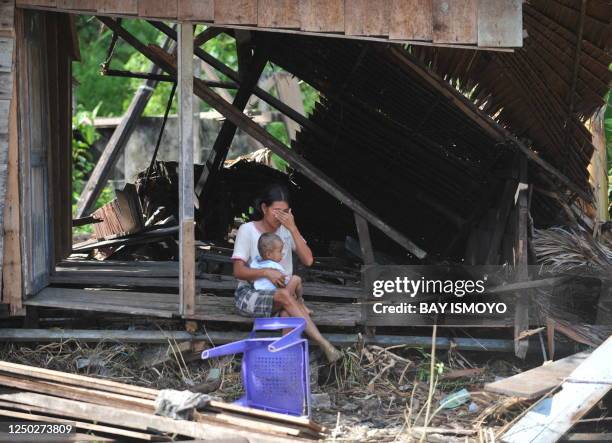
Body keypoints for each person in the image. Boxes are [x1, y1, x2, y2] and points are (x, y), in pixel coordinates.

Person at [231, 184, 342, 363]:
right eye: (276, 210)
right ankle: (323, 343)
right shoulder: (247, 230)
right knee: (285, 298)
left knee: (286, 312)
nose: (280, 216)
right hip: (250, 294)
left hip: (282, 294)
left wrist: (293, 228)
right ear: (264, 208)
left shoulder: (286, 231)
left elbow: (308, 260)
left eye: (285, 211)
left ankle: (285, 360)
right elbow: (238, 271)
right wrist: (266, 272)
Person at [250, 233, 310, 314]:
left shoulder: (256, 263)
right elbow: (284, 283)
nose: (282, 253)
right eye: (280, 251)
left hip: (261, 301)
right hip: (273, 301)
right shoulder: (275, 267)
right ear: (269, 254)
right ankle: (300, 302)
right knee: (296, 279)